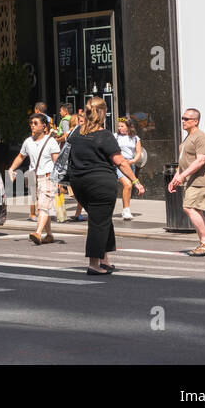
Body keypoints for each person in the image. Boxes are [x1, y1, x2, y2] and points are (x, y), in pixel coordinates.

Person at [67, 96, 143, 275]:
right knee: (98, 222)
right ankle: (94, 264)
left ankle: (104, 260)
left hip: (79, 184)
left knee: (103, 219)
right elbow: (121, 162)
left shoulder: (76, 133)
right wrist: (136, 181)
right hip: (100, 184)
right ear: (102, 113)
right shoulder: (104, 135)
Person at [168, 107, 205, 256]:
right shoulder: (188, 137)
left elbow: (201, 161)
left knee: (189, 208)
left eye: (186, 119)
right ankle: (203, 242)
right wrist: (176, 177)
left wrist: (183, 176)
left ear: (195, 121)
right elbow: (184, 161)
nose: (183, 121)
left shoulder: (200, 137)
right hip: (189, 179)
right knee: (197, 211)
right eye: (182, 118)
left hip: (199, 180)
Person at [8, 113, 60, 245]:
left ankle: (38, 232)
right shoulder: (28, 141)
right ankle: (49, 235)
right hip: (34, 178)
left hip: (48, 177)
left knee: (43, 207)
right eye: (31, 123)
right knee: (42, 207)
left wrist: (59, 180)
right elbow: (21, 156)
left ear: (44, 126)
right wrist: (11, 169)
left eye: (36, 123)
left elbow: (57, 162)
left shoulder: (51, 142)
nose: (32, 125)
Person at [114, 116, 142, 220]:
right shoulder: (115, 136)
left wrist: (133, 161)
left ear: (128, 127)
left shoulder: (135, 138)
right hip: (119, 163)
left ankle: (126, 208)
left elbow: (139, 152)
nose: (120, 128)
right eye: (119, 126)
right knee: (128, 184)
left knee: (128, 187)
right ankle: (126, 211)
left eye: (122, 126)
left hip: (130, 164)